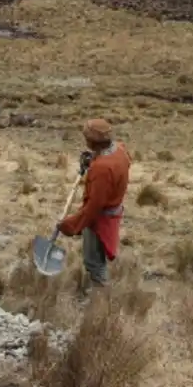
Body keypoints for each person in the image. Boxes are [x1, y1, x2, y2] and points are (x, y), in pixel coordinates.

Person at [57, 119, 132, 291]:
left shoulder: (102, 169)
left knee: (94, 263)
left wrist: (71, 225)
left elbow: (93, 207)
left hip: (101, 219)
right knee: (97, 260)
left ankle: (102, 303)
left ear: (92, 142)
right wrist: (93, 159)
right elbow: (123, 162)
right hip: (113, 210)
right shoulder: (120, 150)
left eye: (86, 137)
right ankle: (100, 296)